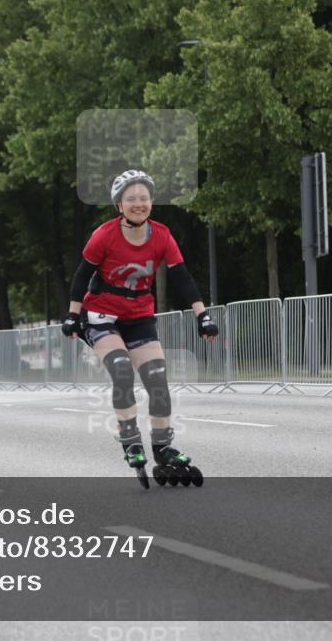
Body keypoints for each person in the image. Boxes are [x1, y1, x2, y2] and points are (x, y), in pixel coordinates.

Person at [61, 169, 219, 488]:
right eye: (131, 199)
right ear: (119, 205)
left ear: (151, 203)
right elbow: (81, 275)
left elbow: (182, 277)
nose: (139, 204)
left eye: (144, 198)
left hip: (139, 315)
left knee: (157, 380)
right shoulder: (104, 235)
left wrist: (203, 315)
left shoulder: (161, 235)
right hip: (101, 315)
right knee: (122, 371)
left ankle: (162, 447)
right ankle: (130, 439)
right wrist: (72, 314)